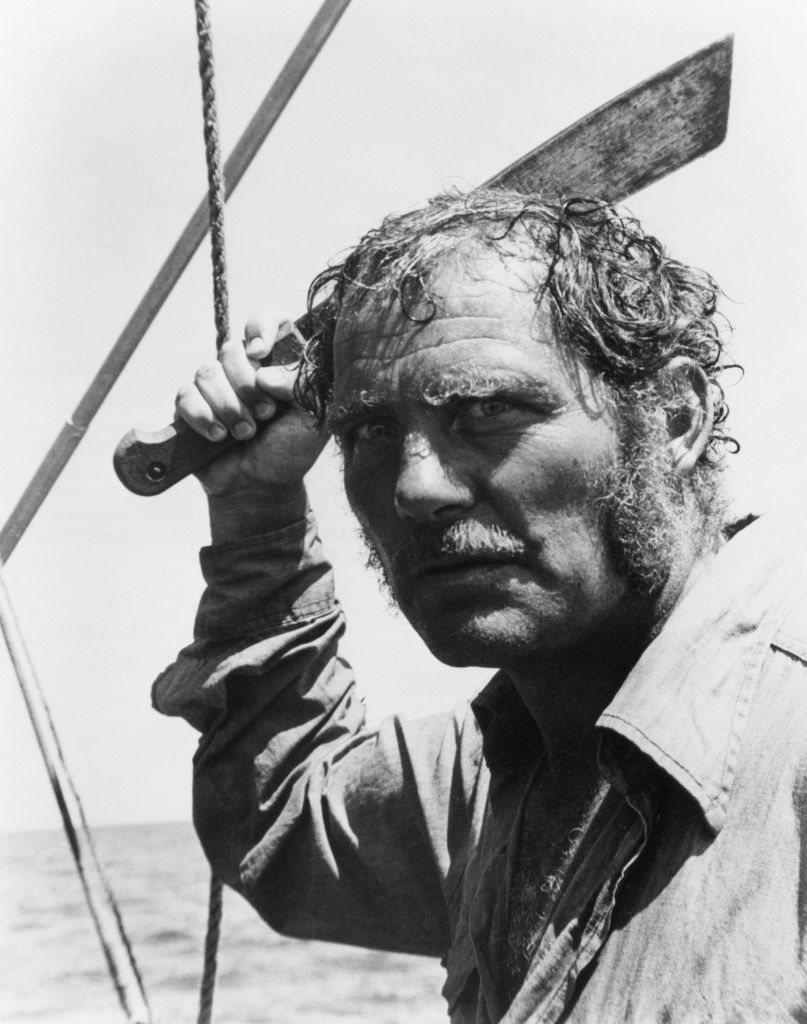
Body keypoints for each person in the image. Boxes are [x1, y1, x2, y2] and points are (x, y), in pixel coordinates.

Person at [153, 190, 807, 1022]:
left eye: (488, 410)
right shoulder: (496, 768)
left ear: (673, 418)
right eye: (369, 433)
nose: (415, 486)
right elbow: (281, 825)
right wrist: (255, 507)